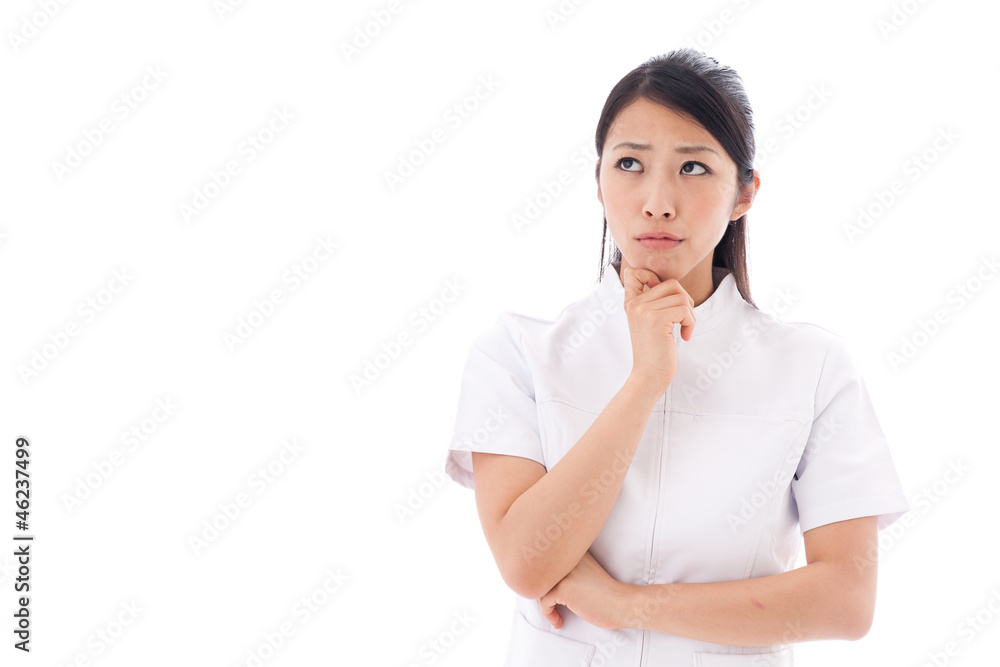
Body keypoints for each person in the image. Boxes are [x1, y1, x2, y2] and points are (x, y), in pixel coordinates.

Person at [443, 48, 910, 666]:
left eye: (693, 168)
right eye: (631, 163)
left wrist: (626, 604)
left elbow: (846, 601)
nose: (658, 201)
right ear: (599, 180)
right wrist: (645, 381)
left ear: (745, 193)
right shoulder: (517, 353)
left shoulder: (813, 367)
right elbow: (527, 563)